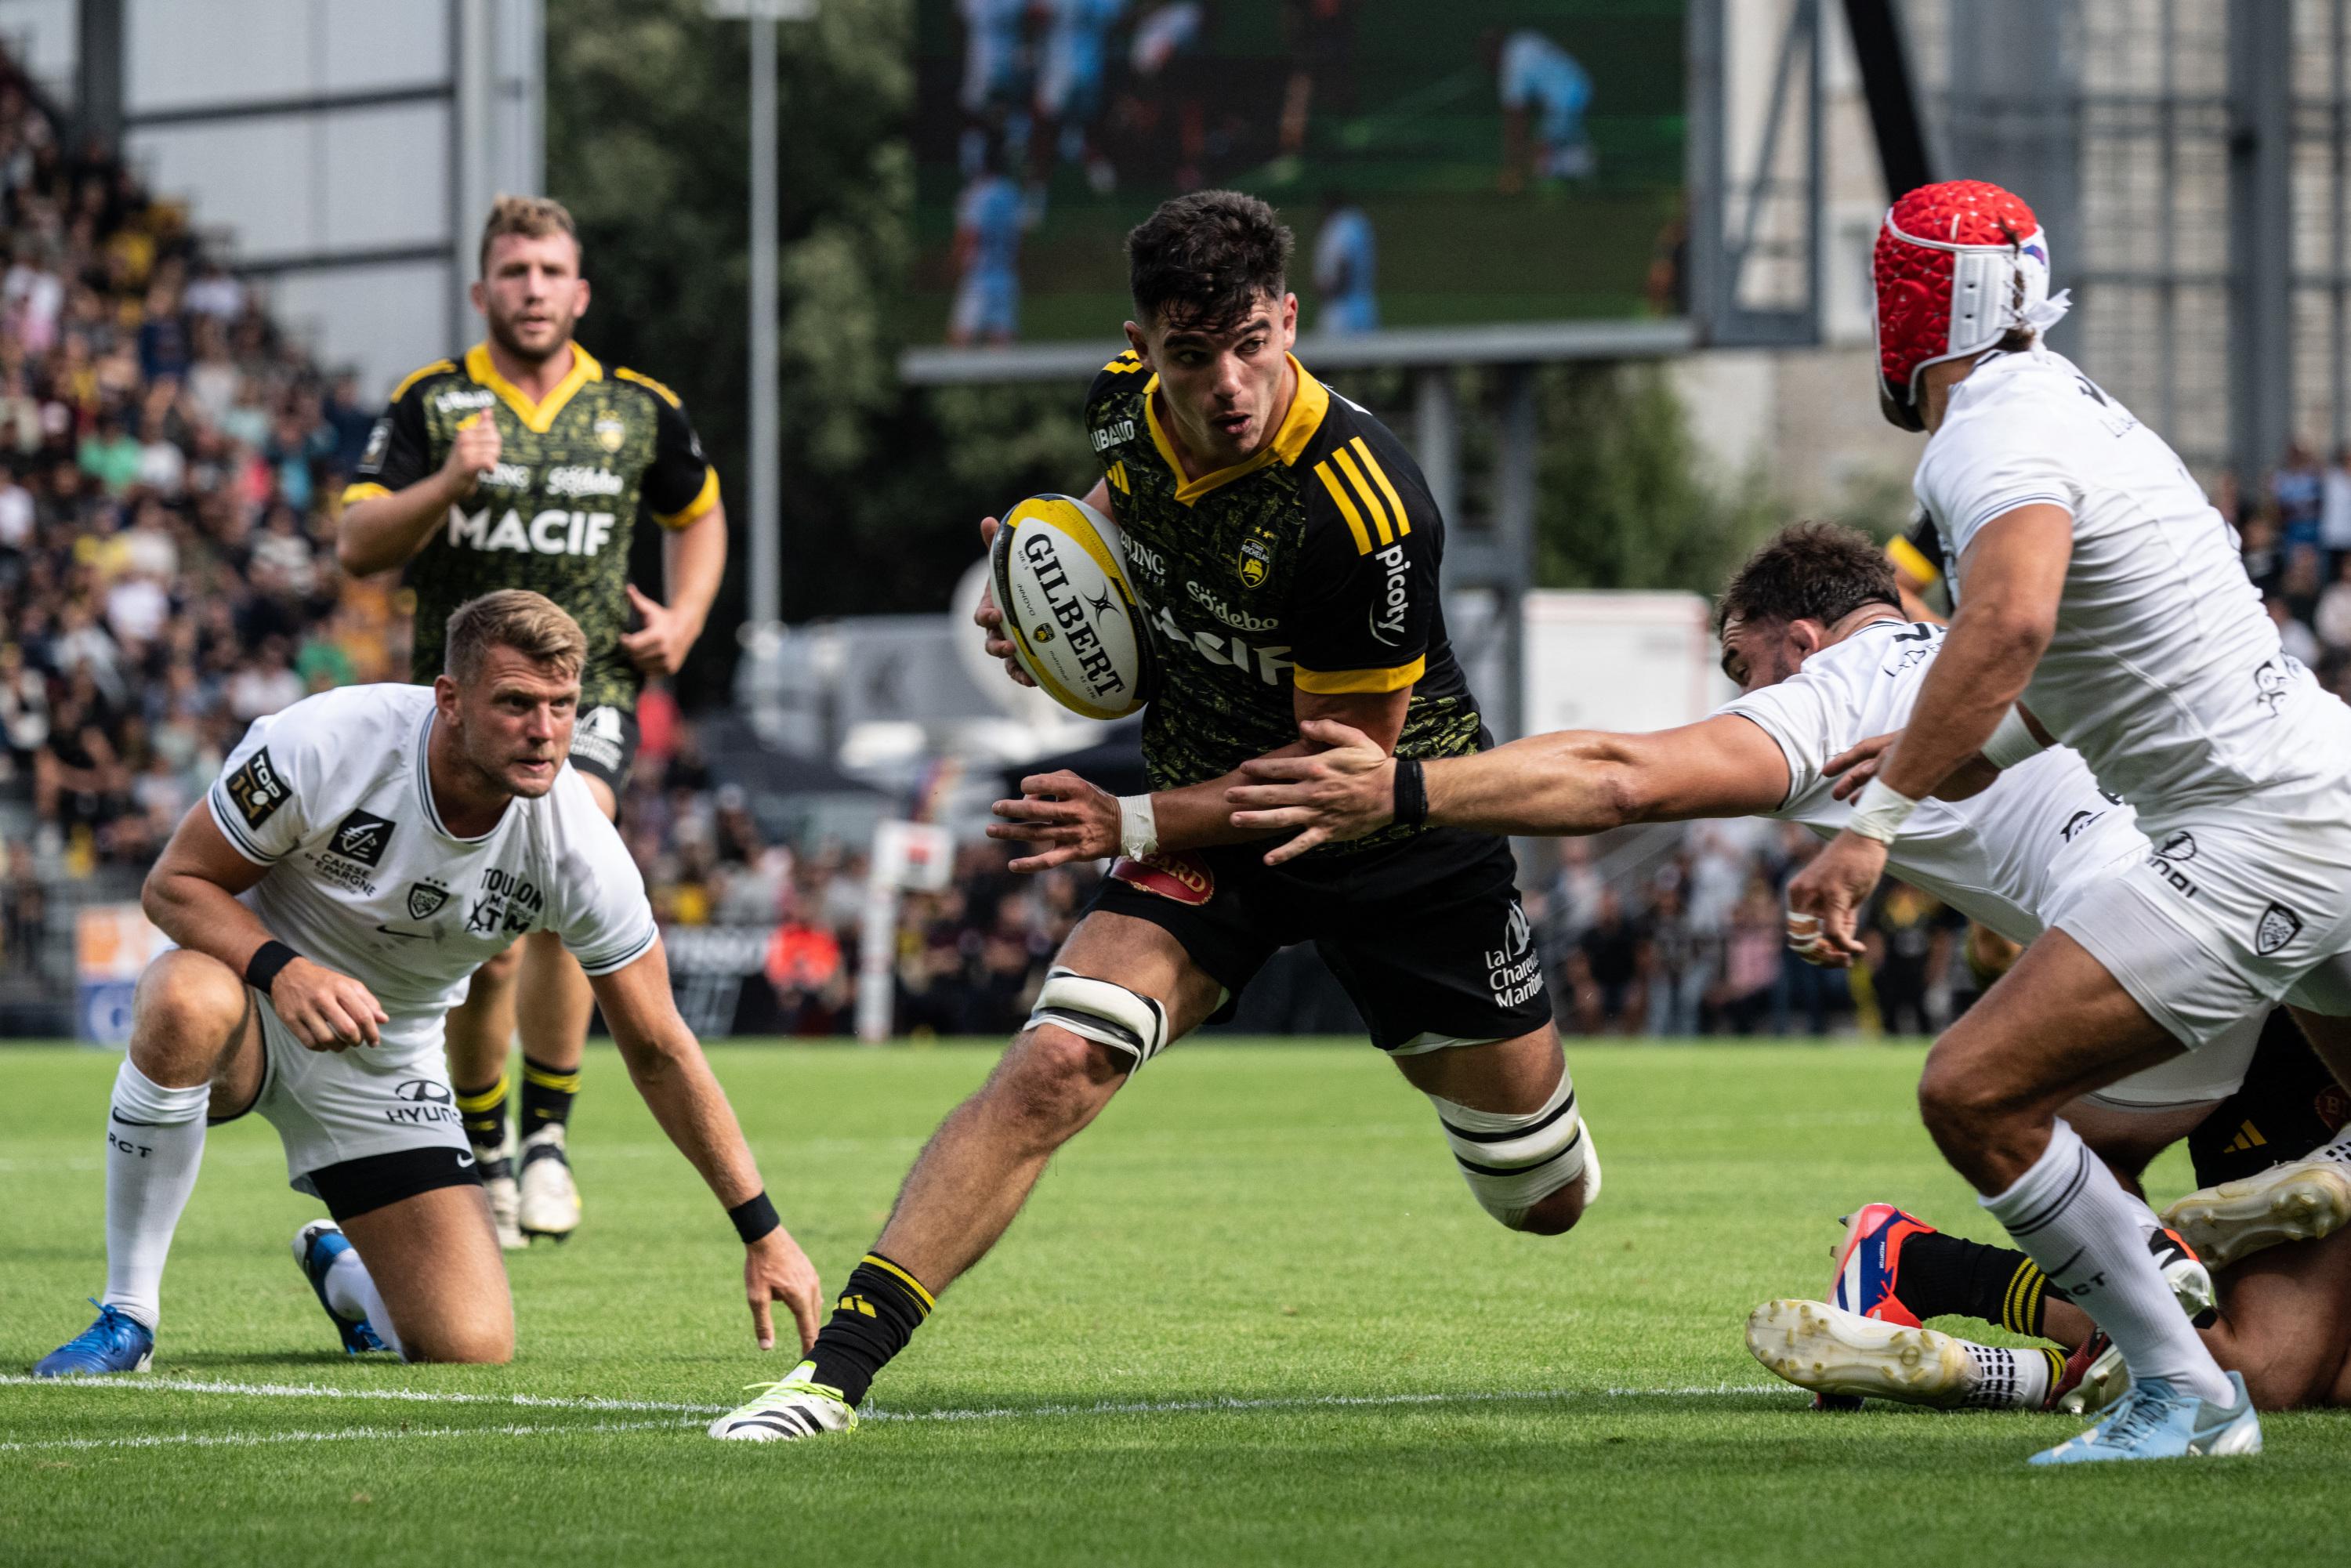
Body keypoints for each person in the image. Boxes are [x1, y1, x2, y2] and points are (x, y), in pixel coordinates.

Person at [706, 190, 1588, 1442]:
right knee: (1058, 1059)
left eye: (1252, 347)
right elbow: (1120, 517)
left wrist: (1126, 821)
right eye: (1191, 356)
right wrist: (1047, 596)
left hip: (1392, 839)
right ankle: (831, 1377)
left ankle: (1506, 1115)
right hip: (1206, 825)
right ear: (1143, 343)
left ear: (1289, 318)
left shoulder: (1366, 515)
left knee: (1539, 1197)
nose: (1228, 384)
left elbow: (1332, 778)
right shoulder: (1123, 401)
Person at [1783, 179, 2351, 1463]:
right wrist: (1980, 749)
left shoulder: (1980, 435)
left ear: (1920, 308)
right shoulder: (2086, 408)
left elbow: (2015, 622)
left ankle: (2184, 1398)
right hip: (2332, 781)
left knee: (1973, 1090)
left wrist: (1876, 819)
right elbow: (2105, 655)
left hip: (2249, 837)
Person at [1223, 520, 2285, 1203]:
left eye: (1744, 667)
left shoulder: (1832, 691)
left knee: (2009, 1131)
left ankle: (1942, 1285)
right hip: (2275, 884)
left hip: (2147, 917)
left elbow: (1618, 778)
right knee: (2291, 1358)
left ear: (1803, 638)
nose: (1743, 698)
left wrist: (1402, 788)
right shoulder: (1968, 651)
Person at [31, 592, 820, 1375]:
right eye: (515, 703)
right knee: (182, 1000)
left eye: (562, 705)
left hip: (389, 1059)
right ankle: (127, 1316)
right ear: (450, 699)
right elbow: (174, 885)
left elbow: (658, 1047)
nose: (544, 732)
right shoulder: (326, 740)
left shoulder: (580, 843)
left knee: (468, 1346)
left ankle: (346, 1274)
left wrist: (763, 1232)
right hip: (255, 1006)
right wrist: (287, 972)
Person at [338, 197, 726, 1248]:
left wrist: (685, 620)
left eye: (552, 271)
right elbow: (357, 544)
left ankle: (548, 1138)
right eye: (514, 272)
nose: (535, 289)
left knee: (565, 865)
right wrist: (451, 482)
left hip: (586, 696)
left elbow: (700, 513)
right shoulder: (433, 402)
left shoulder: (641, 408)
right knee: (487, 948)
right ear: (483, 291)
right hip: (452, 712)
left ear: (581, 291)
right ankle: (489, 1149)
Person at [1749, 1012, 2351, 1415]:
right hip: (2296, 1009)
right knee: (2265, 1374)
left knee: (2322, 1370)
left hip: (2249, 970)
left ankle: (1972, 1313)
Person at [1487, 27, 1593, 191]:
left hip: (1564, 98)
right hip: (1579, 84)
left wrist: (1512, 163)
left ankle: (1573, 183)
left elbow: (1515, 116)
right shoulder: (1521, 39)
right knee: (1561, 143)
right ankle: (1583, 175)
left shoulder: (1513, 64)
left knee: (1544, 158)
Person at [1310, 193, 1378, 336]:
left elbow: (1342, 263)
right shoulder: (1359, 223)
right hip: (1364, 306)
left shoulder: (1340, 228)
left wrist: (1326, 289)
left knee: (1332, 356)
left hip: (1341, 311)